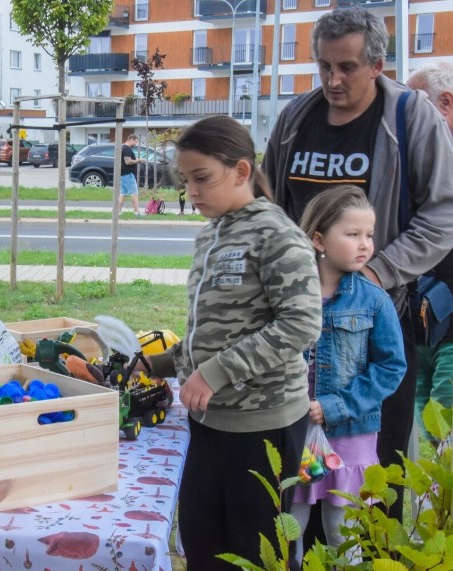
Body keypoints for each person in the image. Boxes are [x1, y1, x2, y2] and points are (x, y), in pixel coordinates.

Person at [262, 6, 453, 521]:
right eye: (323, 66)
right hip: (296, 319)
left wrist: (376, 273)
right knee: (299, 476)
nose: (332, 79)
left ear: (377, 65)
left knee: (369, 478)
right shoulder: (295, 118)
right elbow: (270, 208)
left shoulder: (412, 118)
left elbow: (444, 214)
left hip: (371, 322)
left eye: (346, 67)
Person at [145, 116, 322, 570]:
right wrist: (159, 365)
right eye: (186, 180)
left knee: (256, 553)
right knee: (204, 544)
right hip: (210, 420)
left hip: (262, 423)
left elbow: (301, 324)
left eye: (202, 178)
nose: (193, 191)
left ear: (242, 171)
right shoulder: (211, 233)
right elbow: (215, 328)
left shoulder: (276, 235)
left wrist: (216, 371)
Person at [290, 185, 406, 565]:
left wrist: (336, 405)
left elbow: (391, 366)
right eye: (353, 234)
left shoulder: (374, 300)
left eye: (369, 235)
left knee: (343, 529)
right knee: (290, 524)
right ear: (319, 239)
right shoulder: (291, 295)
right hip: (297, 430)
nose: (365, 245)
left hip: (351, 433)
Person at [407, 61, 453, 441]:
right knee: (429, 427)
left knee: (446, 433)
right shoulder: (418, 164)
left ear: (446, 103)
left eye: (415, 103)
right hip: (421, 326)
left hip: (450, 332)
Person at [119, 133, 145, 216]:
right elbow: (128, 161)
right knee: (134, 193)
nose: (135, 144)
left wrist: (136, 160)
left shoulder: (123, 147)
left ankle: (118, 212)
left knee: (123, 193)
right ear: (131, 139)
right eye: (135, 142)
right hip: (128, 174)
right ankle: (137, 212)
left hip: (123, 174)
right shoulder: (127, 149)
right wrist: (139, 160)